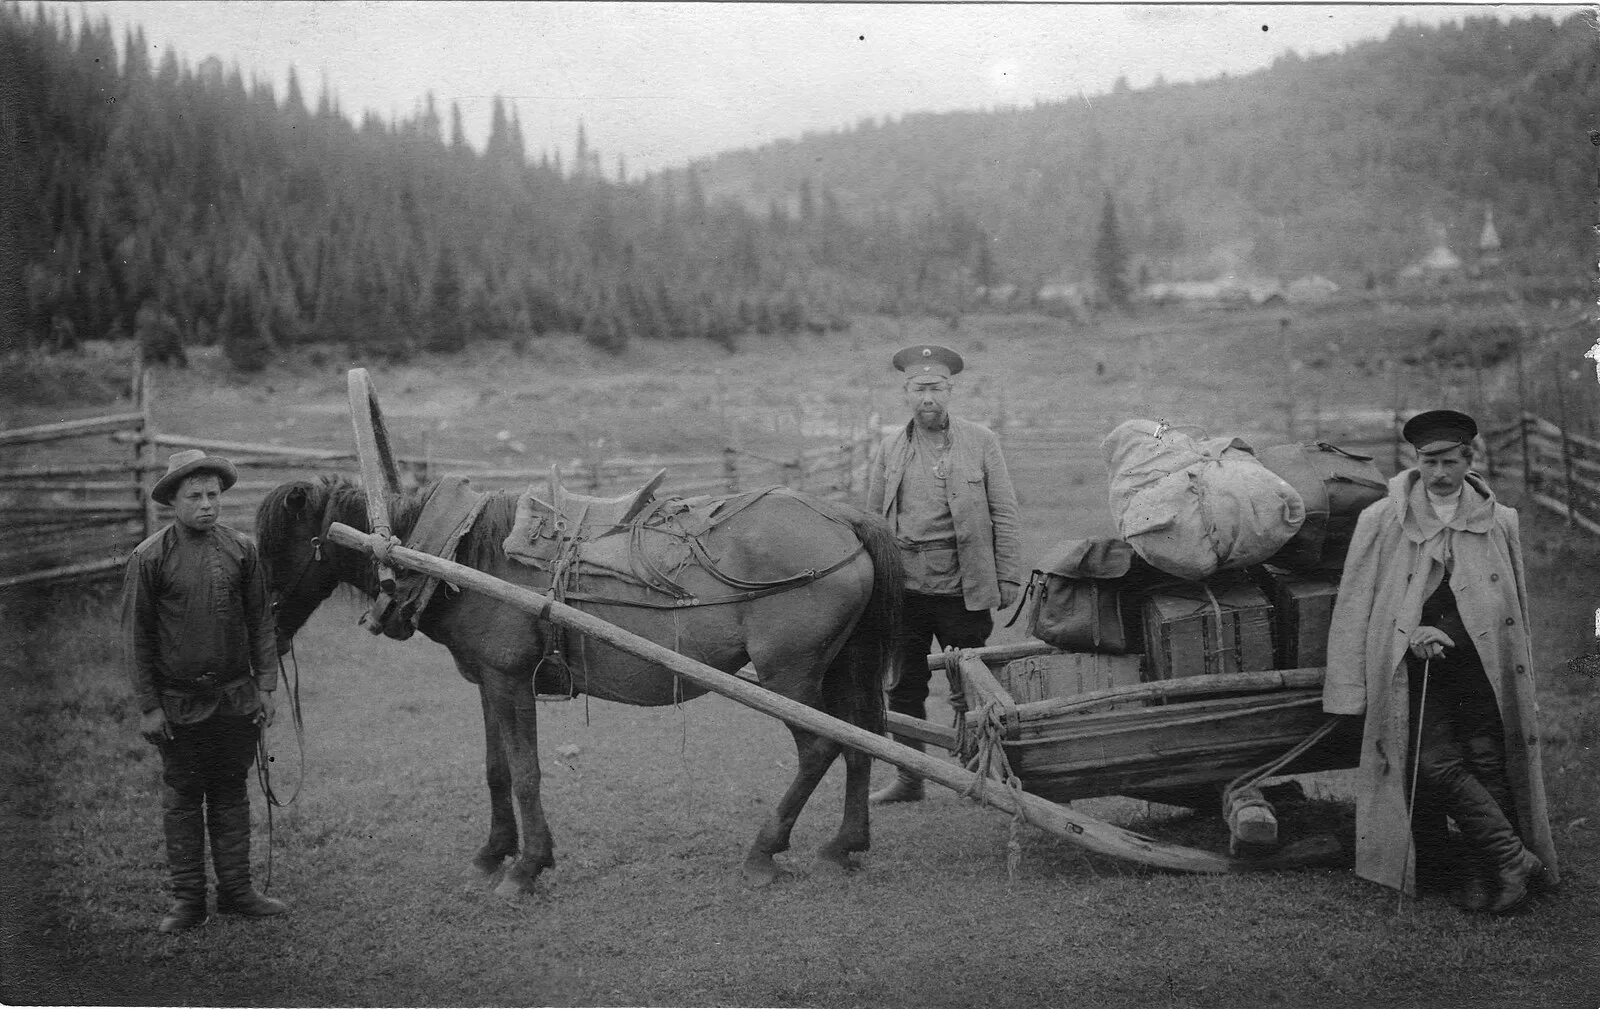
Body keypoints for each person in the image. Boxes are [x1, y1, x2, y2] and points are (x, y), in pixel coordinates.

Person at [1323, 409, 1558, 913]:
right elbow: (1356, 602)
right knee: (1434, 763)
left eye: (1449, 461)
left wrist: (1446, 631)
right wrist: (1359, 677)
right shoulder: (1383, 518)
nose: (1439, 473)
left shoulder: (1499, 520)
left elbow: (1507, 604)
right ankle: (1510, 857)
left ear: (1469, 459)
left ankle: (1485, 873)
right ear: (1415, 460)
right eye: (1429, 462)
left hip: (1479, 664)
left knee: (1488, 761)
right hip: (1414, 667)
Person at [122, 449, 287, 932]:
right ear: (172, 502)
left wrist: (268, 686)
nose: (206, 504)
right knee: (184, 795)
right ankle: (187, 901)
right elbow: (136, 637)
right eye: (194, 496)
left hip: (237, 699)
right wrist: (149, 706)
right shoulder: (150, 557)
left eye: (213, 495)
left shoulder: (241, 549)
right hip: (178, 705)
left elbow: (261, 623)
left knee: (232, 790)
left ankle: (237, 891)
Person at [865, 345, 1022, 803]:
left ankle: (980, 773)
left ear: (950, 390)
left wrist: (1008, 576)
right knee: (903, 685)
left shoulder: (981, 441)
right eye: (919, 388)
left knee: (970, 684)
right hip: (904, 588)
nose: (927, 396)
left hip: (963, 584)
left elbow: (1005, 513)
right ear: (906, 393)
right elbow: (872, 520)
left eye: (935, 387)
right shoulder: (890, 447)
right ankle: (909, 778)